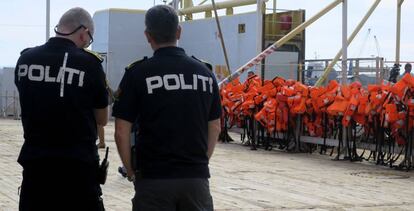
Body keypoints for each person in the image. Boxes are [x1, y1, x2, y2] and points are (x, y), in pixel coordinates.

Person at [113, 5, 221, 211]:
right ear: (178, 31)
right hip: (196, 181)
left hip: (154, 180)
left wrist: (130, 170)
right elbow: (214, 126)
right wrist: (198, 163)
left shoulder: (137, 74)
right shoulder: (205, 73)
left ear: (147, 36)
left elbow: (121, 131)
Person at [15, 7, 108, 211]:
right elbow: (102, 118)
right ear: (83, 32)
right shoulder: (90, 64)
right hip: (78, 170)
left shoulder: (26, 60)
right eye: (89, 39)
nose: (87, 43)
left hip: (36, 168)